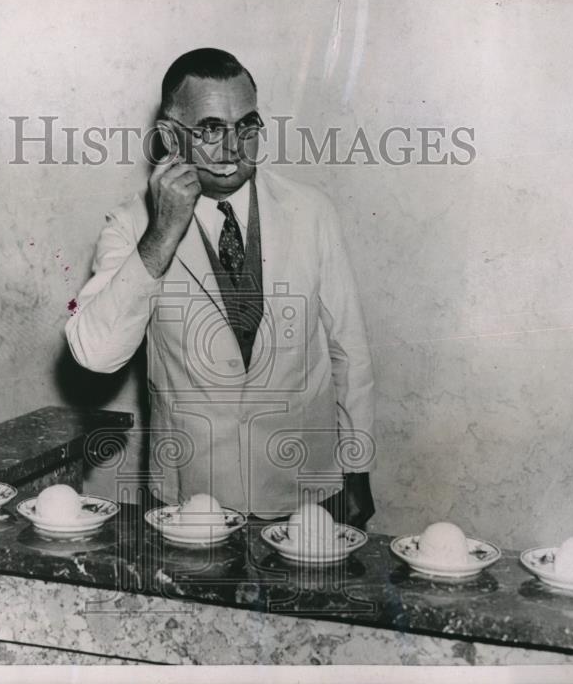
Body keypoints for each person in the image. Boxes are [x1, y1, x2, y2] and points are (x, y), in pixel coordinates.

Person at [65, 48, 376, 528]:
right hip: (190, 498)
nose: (233, 148)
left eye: (247, 126)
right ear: (170, 137)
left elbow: (348, 351)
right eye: (210, 129)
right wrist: (162, 233)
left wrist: (356, 470)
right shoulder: (132, 227)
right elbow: (95, 353)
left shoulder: (312, 212)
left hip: (309, 491)